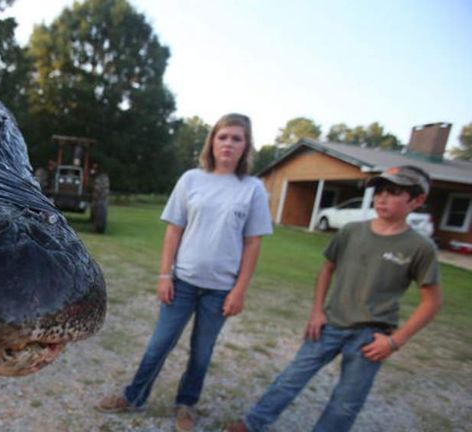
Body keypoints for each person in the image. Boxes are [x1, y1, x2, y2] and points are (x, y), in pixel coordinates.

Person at [227, 165, 443, 432]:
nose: (381, 198)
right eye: (379, 191)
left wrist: (395, 341)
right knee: (291, 378)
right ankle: (252, 424)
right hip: (329, 324)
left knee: (346, 401)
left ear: (417, 200)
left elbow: (431, 302)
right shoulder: (351, 231)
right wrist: (317, 312)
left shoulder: (420, 248)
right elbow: (327, 268)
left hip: (370, 337)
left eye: (393, 193)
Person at [95, 113, 273, 432]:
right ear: (212, 141)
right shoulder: (191, 179)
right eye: (223, 137)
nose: (229, 144)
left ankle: (186, 404)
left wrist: (240, 290)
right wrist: (165, 275)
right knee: (159, 344)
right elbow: (174, 231)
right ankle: (134, 396)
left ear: (246, 146)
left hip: (220, 290)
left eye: (237, 138)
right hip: (182, 283)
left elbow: (253, 243)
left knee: (201, 353)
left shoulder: (253, 189)